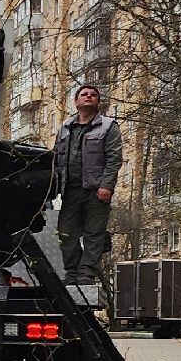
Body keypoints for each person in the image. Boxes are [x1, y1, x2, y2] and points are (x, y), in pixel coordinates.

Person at [52, 84, 123, 285]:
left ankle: (86, 275)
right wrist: (54, 187)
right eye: (84, 94)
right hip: (70, 190)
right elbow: (56, 157)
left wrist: (106, 185)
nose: (88, 96)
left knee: (94, 234)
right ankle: (72, 272)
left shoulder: (108, 126)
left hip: (96, 191)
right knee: (65, 232)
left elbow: (114, 158)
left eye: (93, 95)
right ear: (76, 101)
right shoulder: (65, 127)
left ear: (98, 101)